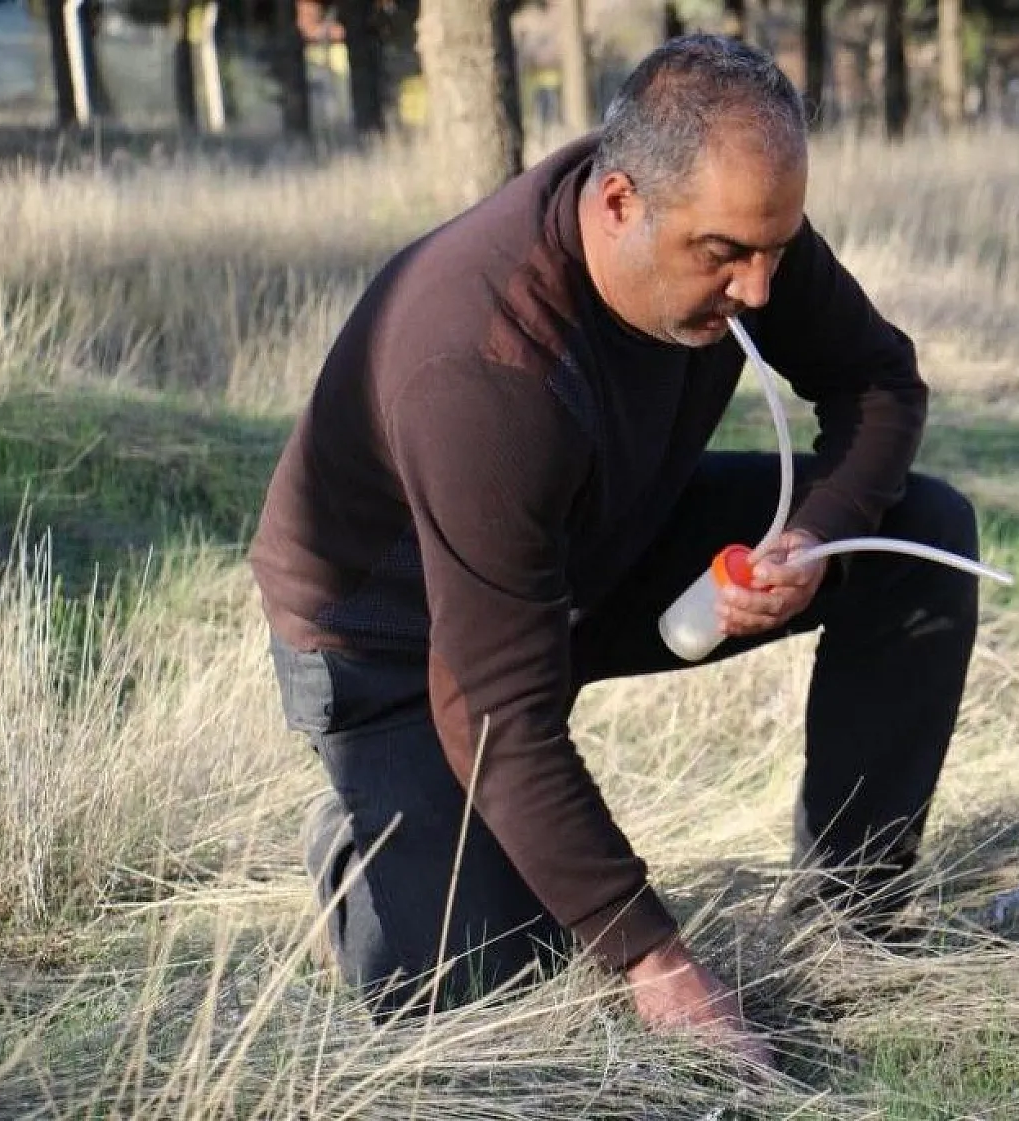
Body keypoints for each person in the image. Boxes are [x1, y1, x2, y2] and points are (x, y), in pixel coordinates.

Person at [249, 34, 981, 1068]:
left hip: (589, 545)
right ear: (619, 204)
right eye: (724, 254)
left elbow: (879, 385)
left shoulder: (733, 219)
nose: (760, 289)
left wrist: (811, 536)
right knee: (496, 999)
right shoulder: (485, 367)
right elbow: (495, 706)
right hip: (398, 646)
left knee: (917, 535)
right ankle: (369, 843)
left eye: (776, 247)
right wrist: (658, 959)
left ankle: (853, 913)